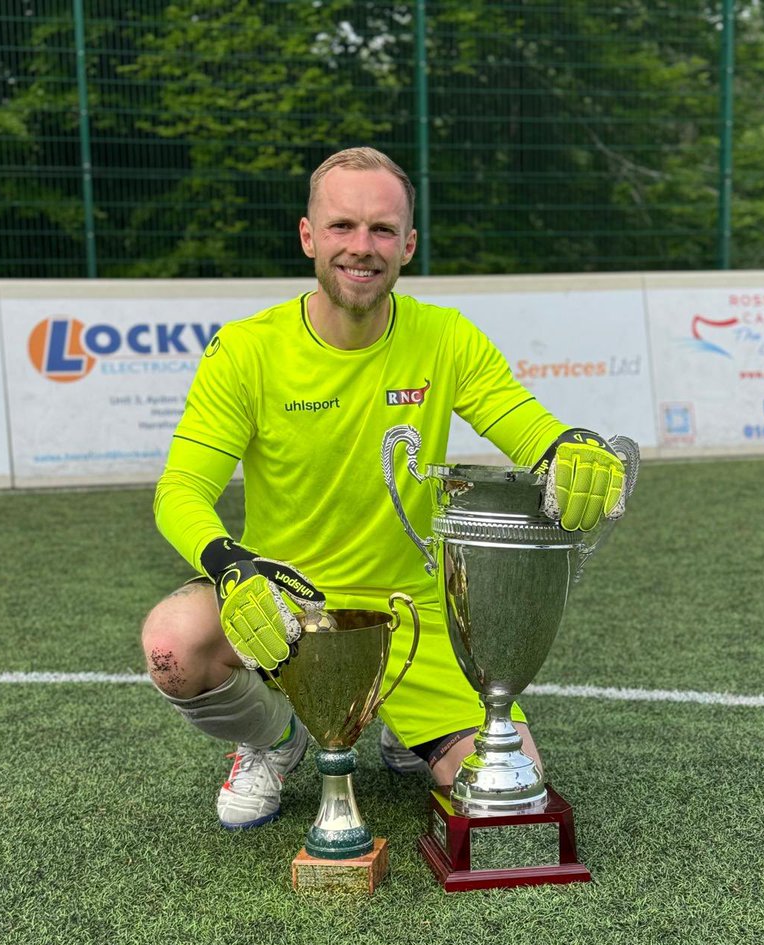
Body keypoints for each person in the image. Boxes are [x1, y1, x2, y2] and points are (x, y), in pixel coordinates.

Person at [141, 146, 626, 830]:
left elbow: (527, 427)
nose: (360, 248)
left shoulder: (446, 338)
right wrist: (230, 565)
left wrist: (568, 447)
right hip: (286, 611)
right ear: (309, 237)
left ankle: (410, 727)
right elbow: (180, 489)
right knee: (173, 643)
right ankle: (275, 738)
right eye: (342, 227)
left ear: (409, 245)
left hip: (412, 613)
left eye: (381, 230)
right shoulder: (247, 350)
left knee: (510, 794)